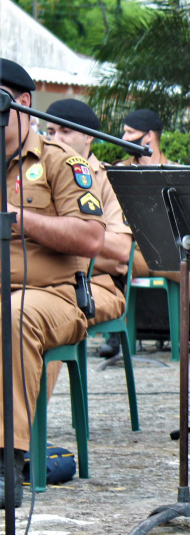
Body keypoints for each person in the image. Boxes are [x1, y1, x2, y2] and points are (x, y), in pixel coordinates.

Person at [0, 59, 107, 507]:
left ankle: (8, 461)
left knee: (12, 315)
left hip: (55, 297)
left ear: (20, 103)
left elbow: (91, 235)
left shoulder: (62, 162)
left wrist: (19, 219)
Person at [109, 109, 190, 364]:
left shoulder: (178, 172)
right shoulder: (118, 172)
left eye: (129, 132)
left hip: (171, 254)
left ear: (148, 137)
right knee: (112, 260)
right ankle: (114, 334)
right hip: (135, 252)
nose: (123, 137)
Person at [42, 99, 134, 396]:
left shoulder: (110, 181)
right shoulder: (37, 177)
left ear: (88, 136)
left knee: (49, 313)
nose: (55, 139)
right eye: (50, 131)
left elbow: (121, 250)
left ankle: (26, 429)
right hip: (44, 278)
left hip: (99, 284)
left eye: (65, 132)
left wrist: (75, 232)